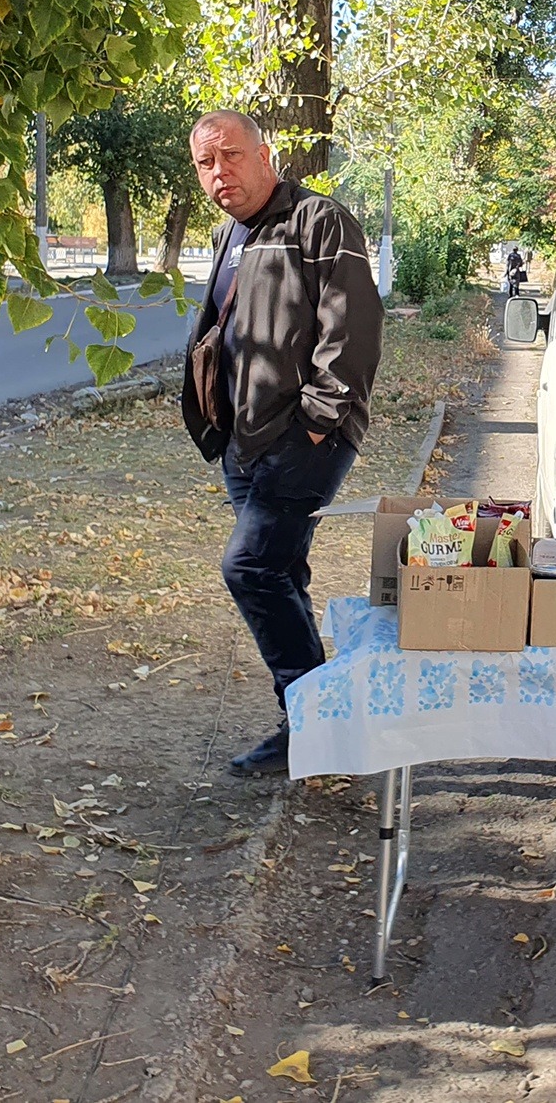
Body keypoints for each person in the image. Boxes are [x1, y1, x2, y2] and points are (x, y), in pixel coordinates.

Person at [181, 110, 382, 774]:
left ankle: (308, 728)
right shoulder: (229, 235)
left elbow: (352, 325)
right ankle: (327, 723)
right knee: (283, 570)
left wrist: (320, 420)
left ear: (266, 154)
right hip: (245, 442)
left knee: (251, 567)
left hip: (307, 436)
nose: (219, 173)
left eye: (231, 156)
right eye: (206, 163)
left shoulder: (317, 221)